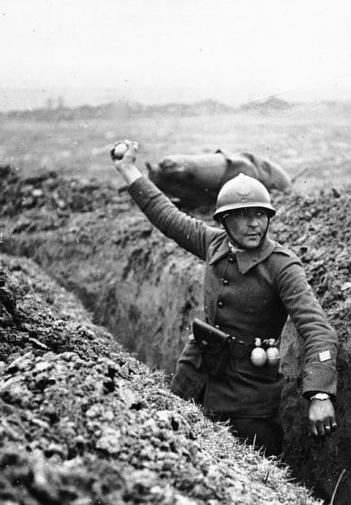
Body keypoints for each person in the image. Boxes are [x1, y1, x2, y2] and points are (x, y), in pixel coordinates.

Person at [109, 140, 338, 457]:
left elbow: (317, 329)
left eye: (260, 214)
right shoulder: (213, 244)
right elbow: (165, 214)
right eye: (242, 216)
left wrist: (321, 394)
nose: (254, 223)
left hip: (249, 402)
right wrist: (128, 168)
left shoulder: (282, 266)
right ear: (224, 221)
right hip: (194, 381)